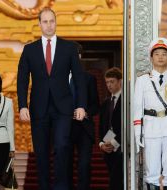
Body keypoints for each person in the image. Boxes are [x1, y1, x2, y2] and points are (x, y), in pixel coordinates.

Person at [17, 7, 86, 190]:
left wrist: (81, 105)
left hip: (63, 107)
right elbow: (22, 80)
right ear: (39, 24)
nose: (49, 25)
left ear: (56, 23)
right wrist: (22, 105)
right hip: (38, 108)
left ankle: (61, 187)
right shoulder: (29, 49)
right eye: (45, 21)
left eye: (52, 21)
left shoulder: (69, 47)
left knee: (62, 145)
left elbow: (79, 78)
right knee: (41, 153)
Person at [134, 38, 167, 190]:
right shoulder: (142, 80)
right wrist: (137, 134)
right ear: (151, 57)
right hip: (151, 129)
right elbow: (137, 108)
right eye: (157, 54)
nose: (160, 57)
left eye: (164, 54)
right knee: (152, 171)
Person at [69, 42, 100, 190]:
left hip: (84, 128)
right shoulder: (57, 80)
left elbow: (96, 105)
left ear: (80, 56)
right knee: (65, 165)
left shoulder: (89, 78)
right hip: (65, 128)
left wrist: (86, 112)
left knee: (84, 165)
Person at [99, 67, 123, 190]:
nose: (109, 85)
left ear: (120, 81)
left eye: (112, 81)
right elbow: (102, 126)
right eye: (107, 82)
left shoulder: (126, 101)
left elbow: (124, 126)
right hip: (108, 148)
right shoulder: (106, 102)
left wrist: (114, 142)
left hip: (122, 147)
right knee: (113, 178)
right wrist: (102, 143)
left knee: (116, 181)